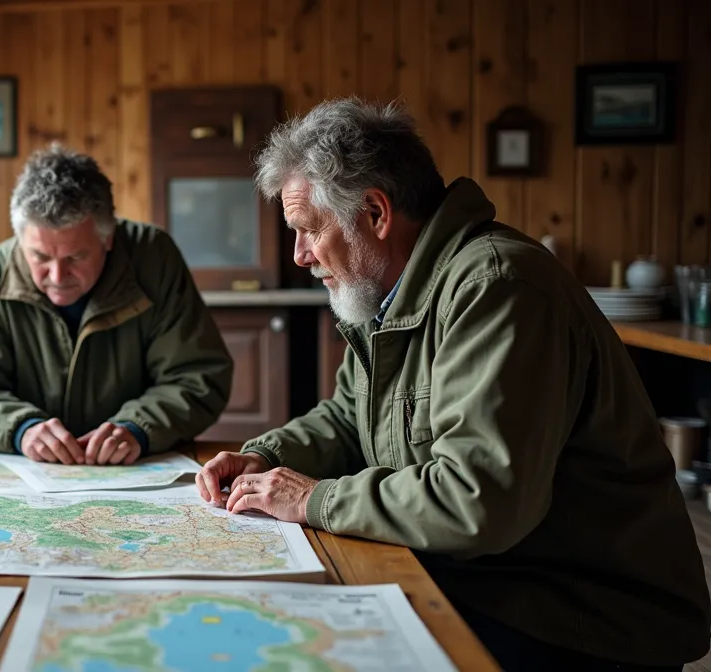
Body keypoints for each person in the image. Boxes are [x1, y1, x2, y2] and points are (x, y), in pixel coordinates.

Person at [195, 98, 710, 669]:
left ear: (375, 213)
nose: (299, 255)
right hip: (486, 579)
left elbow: (477, 500)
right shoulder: (384, 291)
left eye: (308, 229)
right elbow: (347, 416)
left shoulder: (497, 287)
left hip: (578, 616)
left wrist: (313, 498)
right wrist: (267, 456)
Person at [0, 145, 233, 464]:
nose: (57, 276)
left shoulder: (154, 260)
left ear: (108, 238)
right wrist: (21, 428)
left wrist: (139, 428)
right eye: (40, 256)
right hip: (28, 473)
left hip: (135, 467)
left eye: (76, 257)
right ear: (20, 240)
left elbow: (197, 376)